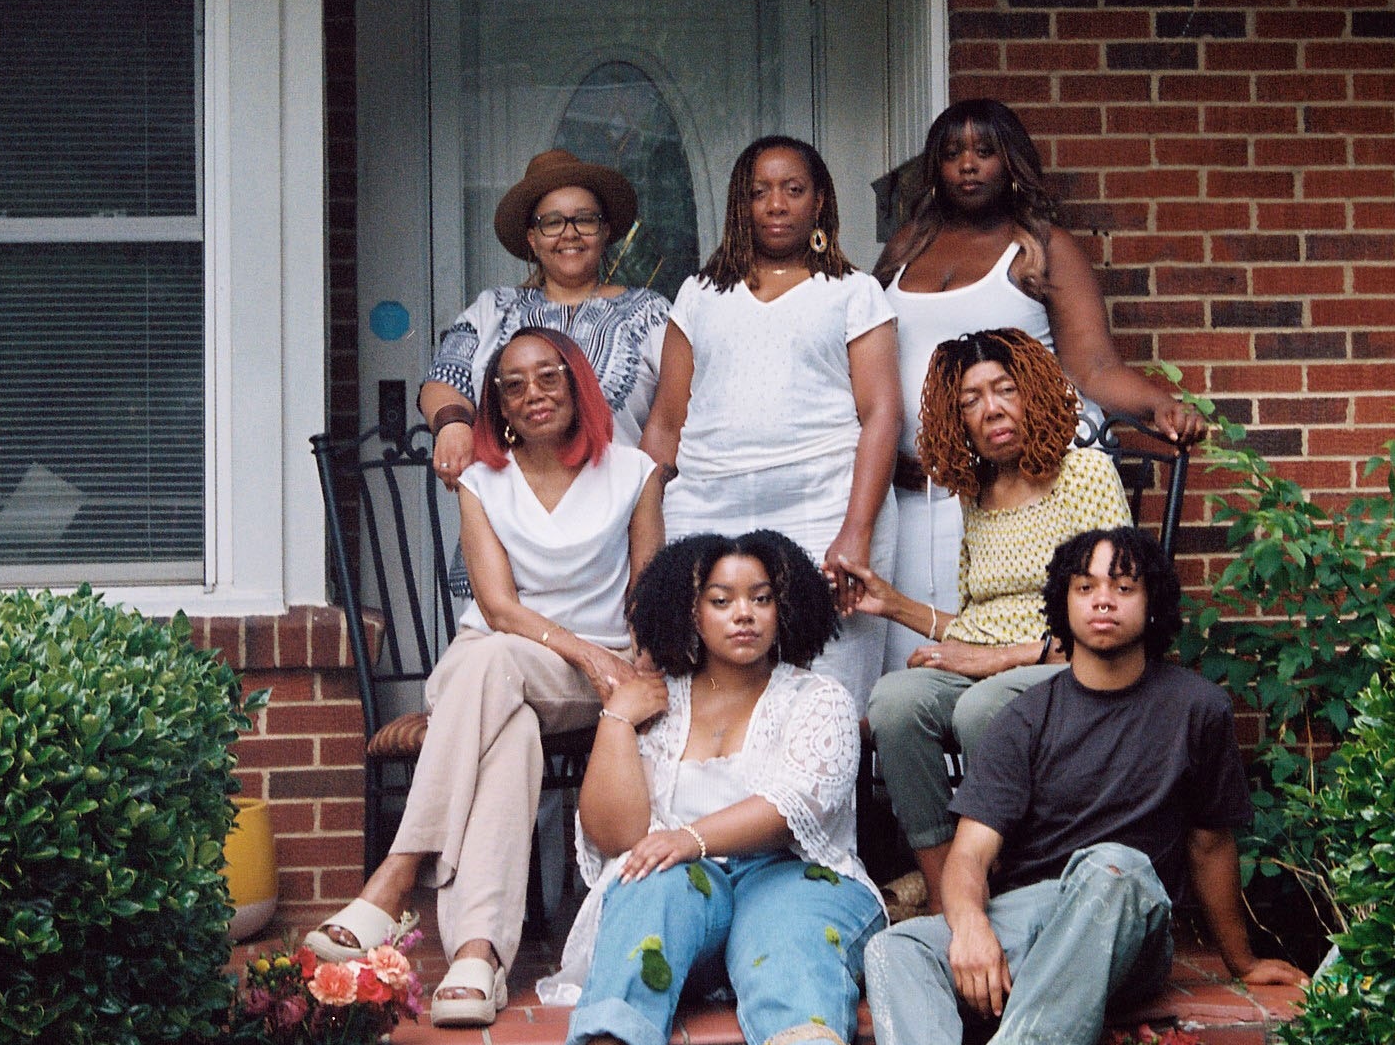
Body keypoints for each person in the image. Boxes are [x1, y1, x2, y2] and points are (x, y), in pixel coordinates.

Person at [863, 526, 1305, 1045]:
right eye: (1085, 586)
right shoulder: (1026, 716)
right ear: (1062, 604)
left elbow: (1210, 845)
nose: (1103, 601)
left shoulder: (1197, 708)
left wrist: (1240, 960)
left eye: (1123, 587)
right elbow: (970, 853)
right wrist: (971, 925)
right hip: (1035, 917)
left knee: (1113, 865)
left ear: (1152, 604)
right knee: (897, 946)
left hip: (1129, 920)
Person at [309, 329, 664, 1028]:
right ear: (494, 403)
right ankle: (478, 956)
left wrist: (618, 665)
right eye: (512, 383)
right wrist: (589, 655)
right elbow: (498, 607)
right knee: (509, 726)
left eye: (548, 377)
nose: (532, 393)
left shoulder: (633, 471)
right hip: (497, 660)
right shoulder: (481, 479)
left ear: (577, 385)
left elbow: (645, 595)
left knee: (493, 672)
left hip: (576, 677)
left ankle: (397, 872)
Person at [555, 532, 887, 1045]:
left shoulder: (818, 700)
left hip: (795, 874)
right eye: (722, 599)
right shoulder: (661, 703)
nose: (744, 614)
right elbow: (618, 835)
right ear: (690, 613)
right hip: (692, 896)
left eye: (761, 599)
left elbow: (797, 805)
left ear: (783, 611)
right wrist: (619, 720)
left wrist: (691, 837)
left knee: (784, 922)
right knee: (646, 879)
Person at [878, 100, 1208, 667]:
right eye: (953, 153)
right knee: (918, 664)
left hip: (1010, 490)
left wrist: (1159, 405)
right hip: (915, 491)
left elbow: (1095, 368)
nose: (968, 165)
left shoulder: (1041, 245)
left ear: (1013, 164)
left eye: (985, 151)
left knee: (1006, 654)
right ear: (934, 167)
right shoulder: (907, 245)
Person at [845, 328, 1134, 911]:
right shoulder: (976, 494)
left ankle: (1016, 878)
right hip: (994, 665)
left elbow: (1119, 611)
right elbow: (982, 620)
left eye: (1004, 389)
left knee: (984, 708)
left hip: (1066, 666)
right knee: (895, 702)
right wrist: (893, 603)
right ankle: (944, 888)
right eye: (970, 400)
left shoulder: (1086, 477)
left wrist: (1000, 659)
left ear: (1033, 393)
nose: (991, 409)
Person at [640, 136, 902, 710]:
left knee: (823, 697)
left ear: (819, 202)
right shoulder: (700, 295)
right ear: (740, 204)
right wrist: (645, 536)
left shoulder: (854, 293)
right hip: (706, 511)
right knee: (699, 697)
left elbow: (882, 412)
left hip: (824, 507)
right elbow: (665, 422)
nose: (776, 205)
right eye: (760, 192)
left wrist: (856, 529)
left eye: (793, 189)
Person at [419, 150, 671, 491]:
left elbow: (679, 414)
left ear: (605, 231)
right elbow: (443, 380)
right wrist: (452, 425)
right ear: (532, 239)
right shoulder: (492, 310)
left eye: (584, 220)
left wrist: (644, 498)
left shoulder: (651, 313)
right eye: (552, 222)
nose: (570, 234)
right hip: (506, 519)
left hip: (621, 517)